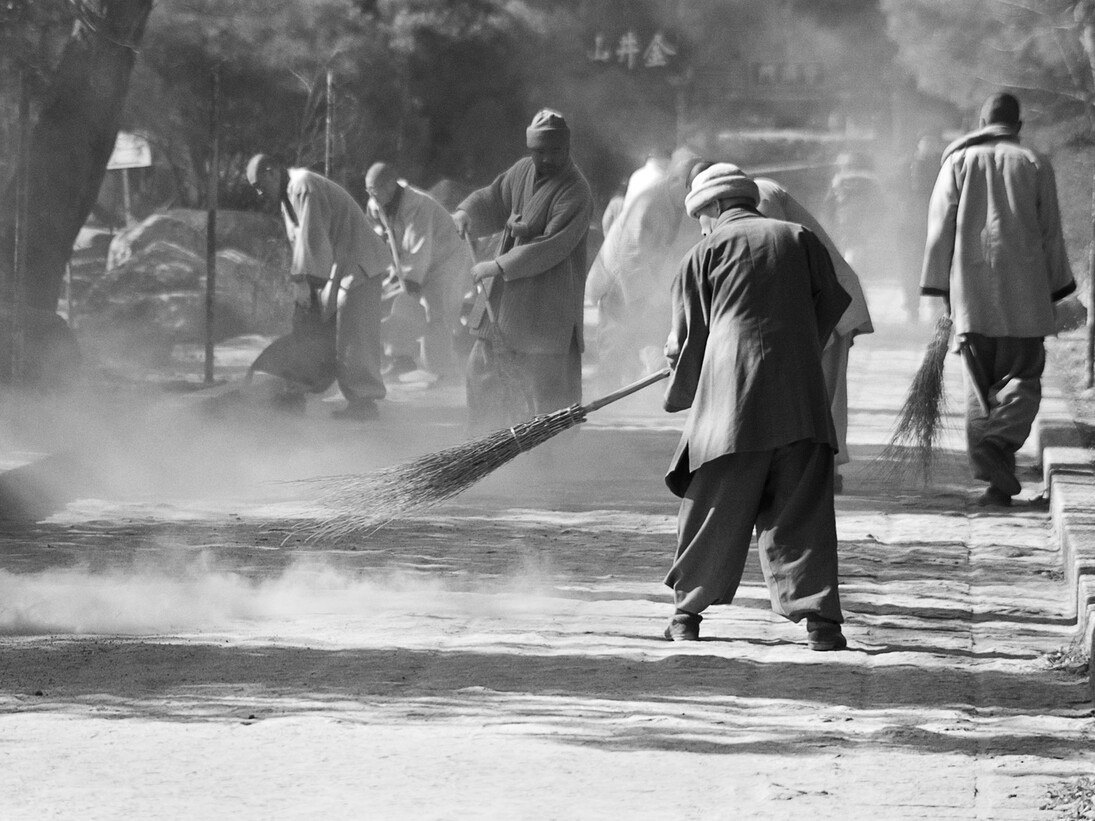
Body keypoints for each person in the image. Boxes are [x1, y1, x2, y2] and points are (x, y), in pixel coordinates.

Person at [661, 163, 851, 650]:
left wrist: (680, 372)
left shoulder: (701, 254)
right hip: (801, 401)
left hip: (732, 405)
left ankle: (686, 616)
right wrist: (798, 344)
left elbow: (690, 340)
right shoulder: (800, 239)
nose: (701, 225)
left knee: (712, 508)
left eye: (701, 215)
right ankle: (822, 625)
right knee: (801, 510)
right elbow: (831, 304)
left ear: (718, 207)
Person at [920, 92, 1076, 507]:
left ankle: (993, 476)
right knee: (1022, 379)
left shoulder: (956, 162)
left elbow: (940, 230)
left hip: (971, 299)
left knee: (978, 385)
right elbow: (1050, 233)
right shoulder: (1034, 163)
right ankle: (997, 450)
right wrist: (1059, 288)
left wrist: (938, 290)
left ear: (981, 120)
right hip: (1025, 298)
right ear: (1017, 126)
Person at [452, 109, 594, 433]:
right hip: (505, 300)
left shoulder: (576, 191)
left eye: (554, 151)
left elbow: (549, 246)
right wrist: (466, 212)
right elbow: (493, 197)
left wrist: (497, 265)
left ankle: (549, 458)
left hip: (547, 302)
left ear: (566, 148)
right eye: (539, 151)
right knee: (481, 369)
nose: (546, 159)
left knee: (542, 386)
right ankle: (483, 442)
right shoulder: (522, 171)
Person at [752, 176, 874, 493]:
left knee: (822, 391)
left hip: (827, 299)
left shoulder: (760, 197)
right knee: (818, 390)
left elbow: (775, 255)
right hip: (814, 297)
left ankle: (823, 470)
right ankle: (818, 468)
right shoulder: (752, 196)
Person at [246, 154, 390, 420]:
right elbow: (302, 242)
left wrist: (306, 286)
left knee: (354, 334)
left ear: (271, 171)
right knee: (335, 333)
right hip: (342, 264)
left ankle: (364, 403)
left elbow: (313, 236)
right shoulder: (288, 195)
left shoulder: (302, 185)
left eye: (258, 184)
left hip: (360, 261)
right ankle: (317, 389)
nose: (258, 192)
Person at [585, 149, 702, 391]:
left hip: (646, 286)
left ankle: (651, 397)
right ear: (675, 181)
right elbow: (630, 257)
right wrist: (650, 303)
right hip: (617, 283)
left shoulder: (680, 204)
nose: (694, 195)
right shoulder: (649, 203)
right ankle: (607, 409)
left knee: (651, 343)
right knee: (616, 346)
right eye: (691, 188)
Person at [365, 161, 474, 383]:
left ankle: (441, 371)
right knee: (402, 304)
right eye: (368, 190)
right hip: (416, 260)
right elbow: (376, 232)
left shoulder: (417, 205)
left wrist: (410, 284)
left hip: (446, 259)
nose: (371, 195)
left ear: (389, 186)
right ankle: (400, 358)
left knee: (436, 312)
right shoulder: (377, 202)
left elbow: (418, 249)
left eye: (374, 190)